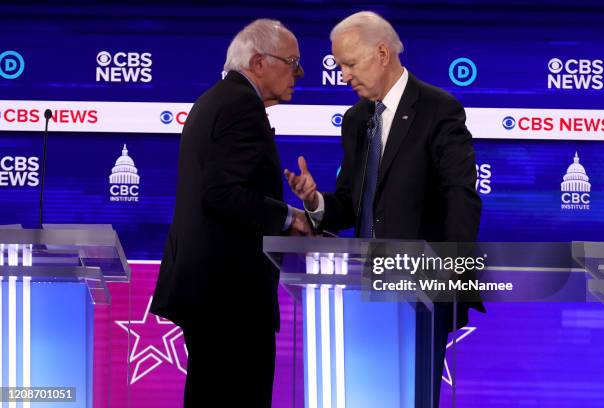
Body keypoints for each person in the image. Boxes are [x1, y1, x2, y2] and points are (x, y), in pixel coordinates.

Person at [284, 11, 484, 407]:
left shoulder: (438, 109)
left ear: (381, 53)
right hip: (361, 289)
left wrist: (452, 275)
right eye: (339, 65)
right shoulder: (357, 120)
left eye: (349, 64)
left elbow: (460, 195)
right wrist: (315, 202)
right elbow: (349, 205)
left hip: (420, 291)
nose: (342, 75)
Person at [151, 19, 309, 407]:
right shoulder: (241, 105)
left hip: (210, 293)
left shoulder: (216, 99)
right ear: (258, 62)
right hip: (229, 299)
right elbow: (221, 194)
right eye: (292, 62)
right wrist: (290, 218)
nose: (300, 73)